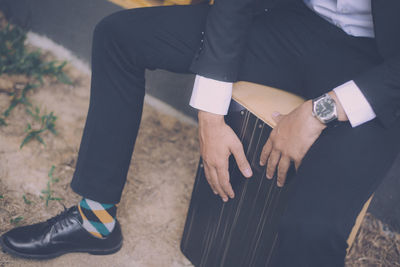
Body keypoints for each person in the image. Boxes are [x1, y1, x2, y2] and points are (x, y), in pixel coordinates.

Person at [1, 0, 399, 266]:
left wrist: (320, 111)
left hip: (380, 66)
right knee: (119, 36)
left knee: (311, 231)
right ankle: (95, 220)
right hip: (293, 20)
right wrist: (210, 113)